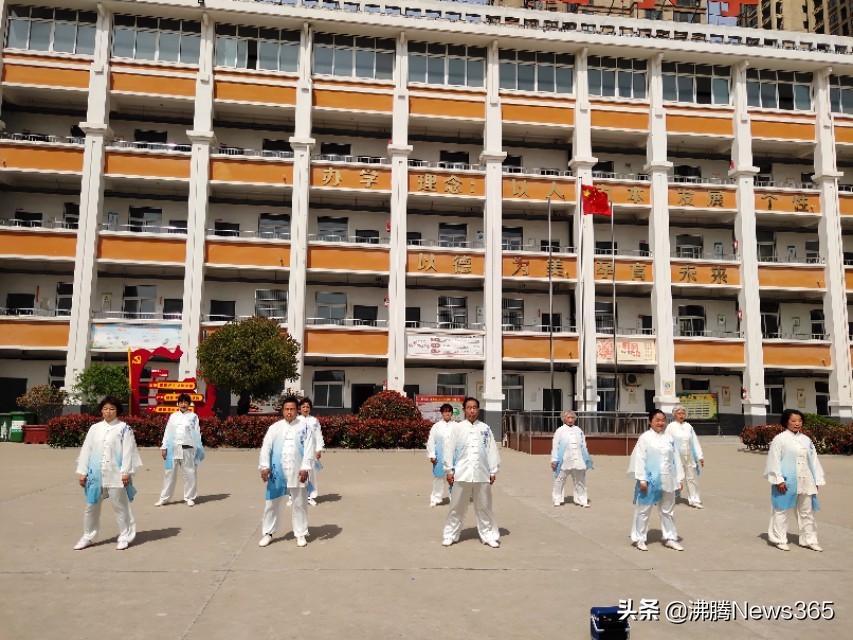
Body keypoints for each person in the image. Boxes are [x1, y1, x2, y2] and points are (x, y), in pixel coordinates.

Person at [73, 396, 143, 551]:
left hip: (116, 474)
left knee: (120, 506)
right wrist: (83, 471)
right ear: (101, 411)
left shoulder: (124, 428)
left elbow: (128, 452)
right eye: (105, 409)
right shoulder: (94, 428)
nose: (108, 412)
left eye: (112, 409)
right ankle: (88, 536)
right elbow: (86, 450)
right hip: (95, 474)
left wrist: (125, 472)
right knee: (91, 506)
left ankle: (125, 535)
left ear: (117, 410)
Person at [258, 395, 316, 548]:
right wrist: (264, 466)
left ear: (297, 411)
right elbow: (266, 448)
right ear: (282, 411)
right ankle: (268, 533)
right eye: (286, 409)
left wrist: (305, 468)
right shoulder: (274, 428)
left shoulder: (305, 428)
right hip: (277, 472)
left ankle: (301, 533)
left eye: (292, 409)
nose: (289, 412)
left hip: (298, 472)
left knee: (300, 503)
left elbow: (309, 450)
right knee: (271, 503)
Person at [442, 397, 501, 548]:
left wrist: (493, 471)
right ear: (464, 410)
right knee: (456, 507)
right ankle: (451, 535)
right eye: (469, 407)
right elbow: (449, 450)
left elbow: (491, 451)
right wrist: (449, 470)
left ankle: (488, 535)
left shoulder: (485, 429)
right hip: (461, 474)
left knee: (484, 506)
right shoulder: (457, 428)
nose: (472, 410)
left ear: (478, 410)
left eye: (475, 407)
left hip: (482, 474)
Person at [764, 409, 826, 552]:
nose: (797, 424)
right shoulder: (780, 439)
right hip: (787, 481)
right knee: (781, 510)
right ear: (786, 422)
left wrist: (817, 480)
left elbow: (814, 460)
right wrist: (778, 480)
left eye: (799, 421)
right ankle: (779, 538)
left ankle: (808, 539)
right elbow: (774, 460)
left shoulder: (806, 440)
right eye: (793, 421)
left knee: (807, 511)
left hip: (806, 480)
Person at [627, 409, 685, 552]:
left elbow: (675, 458)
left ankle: (670, 537)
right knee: (644, 510)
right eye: (657, 420)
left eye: (663, 420)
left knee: (668, 510)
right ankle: (640, 538)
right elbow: (639, 459)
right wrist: (642, 479)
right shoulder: (645, 438)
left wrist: (679, 478)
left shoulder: (669, 438)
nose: (660, 423)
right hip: (651, 480)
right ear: (650, 422)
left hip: (668, 479)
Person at [155, 393, 205, 507]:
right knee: (169, 473)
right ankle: (164, 498)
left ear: (189, 404)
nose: (183, 404)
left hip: (187, 448)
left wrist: (197, 448)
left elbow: (197, 433)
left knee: (189, 473)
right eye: (181, 402)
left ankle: (189, 497)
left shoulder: (193, 417)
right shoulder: (173, 416)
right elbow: (168, 432)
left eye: (186, 402)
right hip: (173, 448)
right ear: (178, 403)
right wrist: (164, 447)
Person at [550, 410, 593, 508]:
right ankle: (557, 499)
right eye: (568, 418)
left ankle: (581, 499)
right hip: (564, 459)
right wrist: (554, 460)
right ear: (564, 419)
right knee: (560, 479)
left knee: (580, 480)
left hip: (578, 459)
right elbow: (555, 446)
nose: (570, 420)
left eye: (572, 418)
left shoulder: (578, 430)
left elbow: (583, 445)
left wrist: (586, 458)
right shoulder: (560, 430)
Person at [665, 405, 704, 509]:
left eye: (683, 413)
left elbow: (695, 441)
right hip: (676, 456)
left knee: (691, 477)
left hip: (689, 455)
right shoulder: (671, 427)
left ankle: (694, 499)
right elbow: (666, 442)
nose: (681, 415)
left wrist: (700, 456)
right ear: (674, 415)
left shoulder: (688, 426)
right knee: (674, 477)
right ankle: (669, 498)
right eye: (679, 413)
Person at [426, 403, 455, 507]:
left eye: (449, 411)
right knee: (439, 477)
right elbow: (431, 441)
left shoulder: (456, 426)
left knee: (453, 478)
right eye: (445, 411)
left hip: (453, 457)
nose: (447, 413)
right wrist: (432, 455)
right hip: (440, 455)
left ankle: (454, 498)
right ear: (442, 413)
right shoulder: (436, 426)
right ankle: (435, 498)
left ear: (451, 413)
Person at [299, 397, 324, 507]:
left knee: (310, 474)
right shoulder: (295, 420)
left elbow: (318, 436)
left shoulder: (314, 421)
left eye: (307, 407)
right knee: (296, 473)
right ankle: (292, 496)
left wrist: (318, 449)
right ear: (299, 408)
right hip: (298, 451)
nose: (305, 409)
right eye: (303, 407)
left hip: (311, 452)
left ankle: (310, 496)